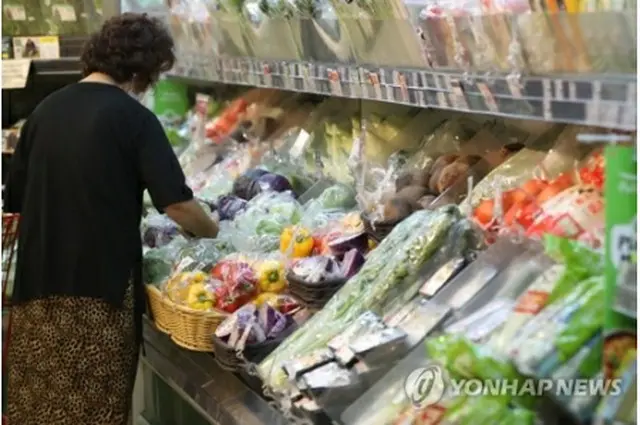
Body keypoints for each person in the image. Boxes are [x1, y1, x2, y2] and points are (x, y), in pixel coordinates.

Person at [4, 13, 219, 425]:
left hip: (36, 294)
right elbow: (176, 204)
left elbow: (17, 197)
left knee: (39, 409)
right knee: (92, 411)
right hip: (99, 300)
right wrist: (214, 231)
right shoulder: (134, 119)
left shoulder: (45, 112)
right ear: (143, 69)